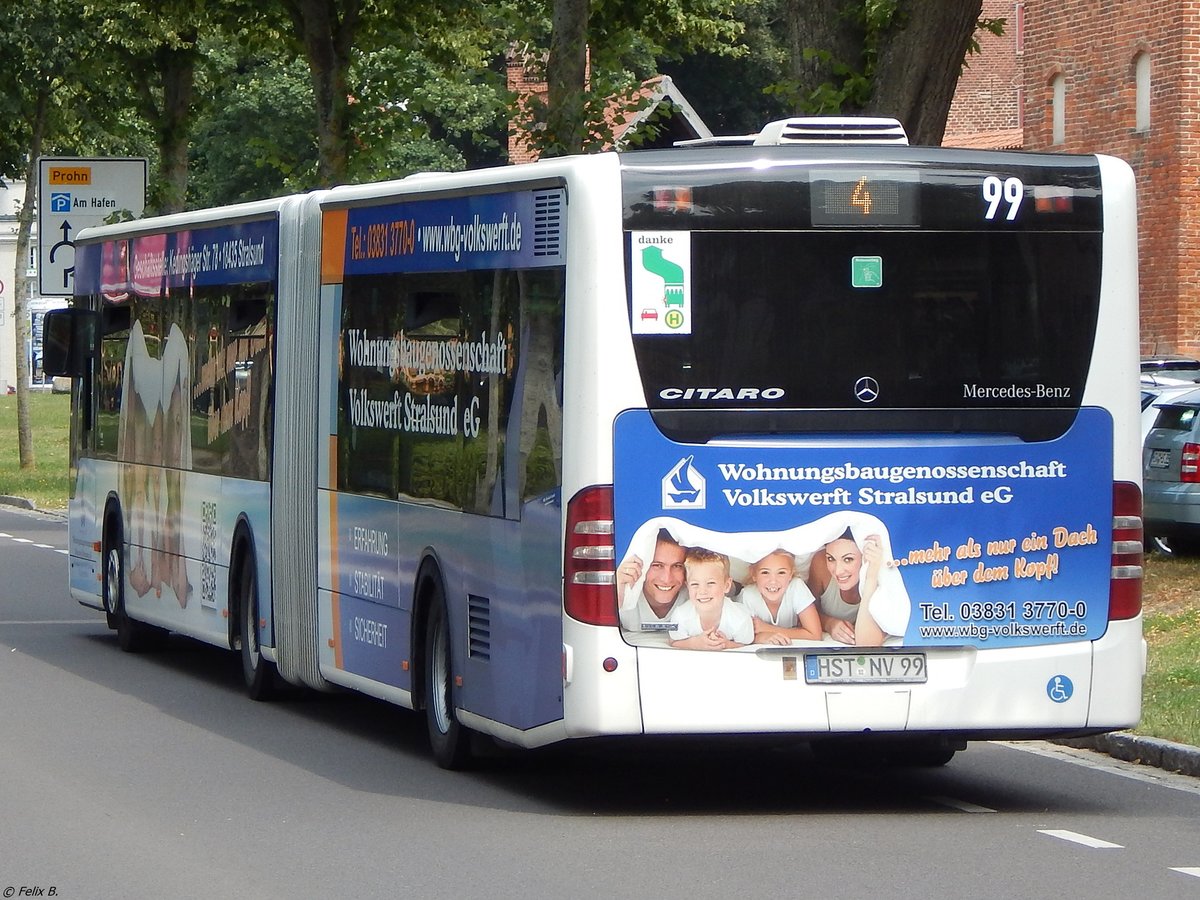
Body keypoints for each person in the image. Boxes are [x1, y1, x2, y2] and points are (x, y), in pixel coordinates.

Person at [810, 528, 887, 647]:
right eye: (831, 559)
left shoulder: (882, 573)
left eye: (848, 559)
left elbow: (867, 644)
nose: (838, 571)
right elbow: (804, 615)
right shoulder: (821, 564)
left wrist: (871, 576)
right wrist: (829, 623)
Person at [668, 548, 753, 650]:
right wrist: (695, 643)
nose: (702, 591)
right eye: (695, 584)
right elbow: (674, 641)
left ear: (727, 585)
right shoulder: (680, 615)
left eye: (711, 583)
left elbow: (746, 646)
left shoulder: (740, 618)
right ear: (687, 586)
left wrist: (726, 644)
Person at [739, 549, 822, 645]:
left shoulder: (796, 587)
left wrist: (767, 629)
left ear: (791, 574)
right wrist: (760, 638)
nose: (773, 581)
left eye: (781, 573)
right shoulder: (747, 596)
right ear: (754, 574)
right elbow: (741, 637)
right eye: (765, 572)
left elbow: (815, 634)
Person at [616, 530, 689, 634]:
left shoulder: (697, 594)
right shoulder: (625, 591)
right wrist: (614, 593)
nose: (666, 579)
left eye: (677, 566)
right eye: (657, 565)